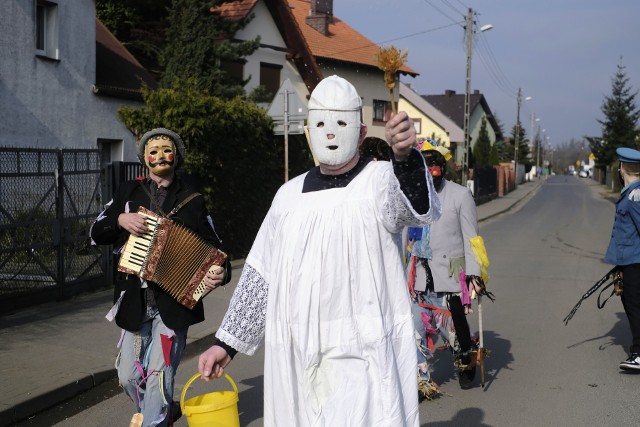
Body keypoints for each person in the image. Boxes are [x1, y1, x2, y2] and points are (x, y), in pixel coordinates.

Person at [197, 75, 441, 426]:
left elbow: (412, 207)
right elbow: (261, 273)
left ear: (360, 132)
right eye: (321, 124)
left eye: (341, 123)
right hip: (299, 355)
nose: (330, 133)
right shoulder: (288, 197)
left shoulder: (380, 181)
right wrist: (227, 343)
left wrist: (403, 157)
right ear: (308, 131)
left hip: (363, 353)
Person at [90, 128, 231, 427]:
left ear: (176, 156)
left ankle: (154, 419)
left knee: (158, 375)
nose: (160, 156)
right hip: (134, 301)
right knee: (128, 375)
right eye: (153, 151)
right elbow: (96, 231)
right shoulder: (128, 192)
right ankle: (163, 411)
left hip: (173, 307)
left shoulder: (192, 198)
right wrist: (119, 219)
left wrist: (221, 271)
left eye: (166, 150)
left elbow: (217, 247)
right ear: (143, 158)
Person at [406, 140, 488, 393]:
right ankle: (421, 380)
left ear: (442, 166)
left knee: (455, 337)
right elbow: (404, 239)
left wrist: (476, 272)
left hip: (451, 280)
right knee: (415, 333)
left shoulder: (459, 195)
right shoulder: (412, 196)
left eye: (433, 165)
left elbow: (471, 237)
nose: (429, 171)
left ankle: (466, 360)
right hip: (419, 279)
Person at [604, 147, 640, 371]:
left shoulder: (636, 194)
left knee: (635, 306)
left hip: (636, 261)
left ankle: (638, 353)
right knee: (631, 303)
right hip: (630, 260)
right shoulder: (632, 191)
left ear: (622, 169)